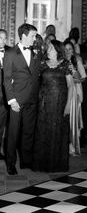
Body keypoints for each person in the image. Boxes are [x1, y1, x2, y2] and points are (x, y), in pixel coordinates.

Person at [3, 23, 41, 175]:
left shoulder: (36, 52)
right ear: (24, 36)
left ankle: (26, 161)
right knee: (13, 133)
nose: (35, 38)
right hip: (17, 101)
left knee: (28, 132)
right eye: (33, 36)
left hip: (32, 99)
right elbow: (6, 79)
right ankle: (10, 163)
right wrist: (12, 101)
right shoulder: (11, 53)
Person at [32, 40, 73, 172]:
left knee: (58, 131)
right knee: (44, 131)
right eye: (47, 48)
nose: (47, 50)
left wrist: (68, 106)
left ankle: (57, 164)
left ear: (56, 49)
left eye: (50, 48)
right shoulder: (42, 64)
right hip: (44, 103)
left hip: (60, 103)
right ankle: (42, 164)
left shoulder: (65, 64)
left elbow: (71, 86)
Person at [64, 40, 86, 155]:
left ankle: (72, 146)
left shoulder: (76, 61)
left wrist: (74, 78)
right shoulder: (60, 61)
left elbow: (83, 77)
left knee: (73, 120)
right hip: (63, 93)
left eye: (70, 49)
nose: (67, 51)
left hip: (75, 93)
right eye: (66, 49)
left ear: (73, 50)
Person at [0, 29, 10, 160]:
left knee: (2, 125)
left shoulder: (10, 53)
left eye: (4, 38)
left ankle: (0, 149)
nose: (2, 40)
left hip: (4, 95)